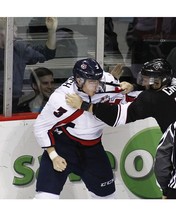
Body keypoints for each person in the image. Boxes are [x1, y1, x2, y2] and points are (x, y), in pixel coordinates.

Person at [33, 58, 131, 199]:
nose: (96, 85)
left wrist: (128, 87)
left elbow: (124, 99)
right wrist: (53, 156)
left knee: (107, 199)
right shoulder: (61, 99)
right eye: (92, 82)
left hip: (93, 148)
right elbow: (40, 127)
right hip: (63, 147)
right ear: (79, 80)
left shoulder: (107, 81)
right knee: (45, 198)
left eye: (98, 80)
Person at [65, 58, 176, 134]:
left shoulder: (152, 99)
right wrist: (133, 87)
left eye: (149, 80)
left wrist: (84, 105)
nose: (145, 82)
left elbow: (115, 117)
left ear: (162, 80)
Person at [0, 17, 58, 114]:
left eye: (15, 31)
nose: (15, 35)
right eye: (10, 32)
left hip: (12, 103)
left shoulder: (19, 49)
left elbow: (48, 54)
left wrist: (52, 31)